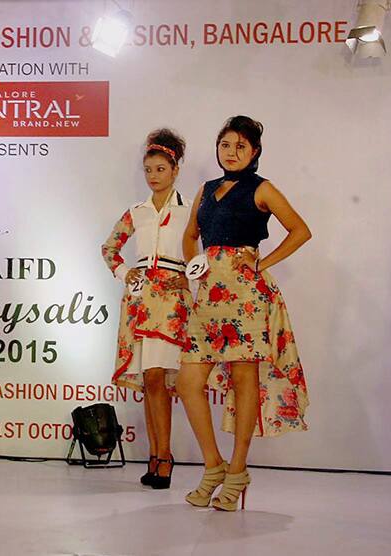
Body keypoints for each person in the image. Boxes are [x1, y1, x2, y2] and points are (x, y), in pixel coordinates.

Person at [177, 115, 311, 511]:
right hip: (207, 297)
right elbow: (189, 236)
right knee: (187, 383)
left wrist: (261, 264)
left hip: (246, 296)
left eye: (240, 146)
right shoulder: (205, 189)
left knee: (242, 378)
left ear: (254, 152)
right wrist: (194, 265)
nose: (231, 153)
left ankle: (237, 470)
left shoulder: (261, 188)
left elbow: (300, 230)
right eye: (225, 145)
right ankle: (213, 466)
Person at [101, 129, 191, 489]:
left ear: (175, 171)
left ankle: (165, 457)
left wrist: (189, 279)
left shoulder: (189, 212)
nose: (153, 176)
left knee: (159, 377)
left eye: (160, 169)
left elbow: (204, 253)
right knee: (149, 381)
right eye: (148, 170)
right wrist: (125, 273)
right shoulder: (136, 213)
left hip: (171, 300)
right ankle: (155, 456)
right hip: (141, 300)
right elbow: (109, 249)